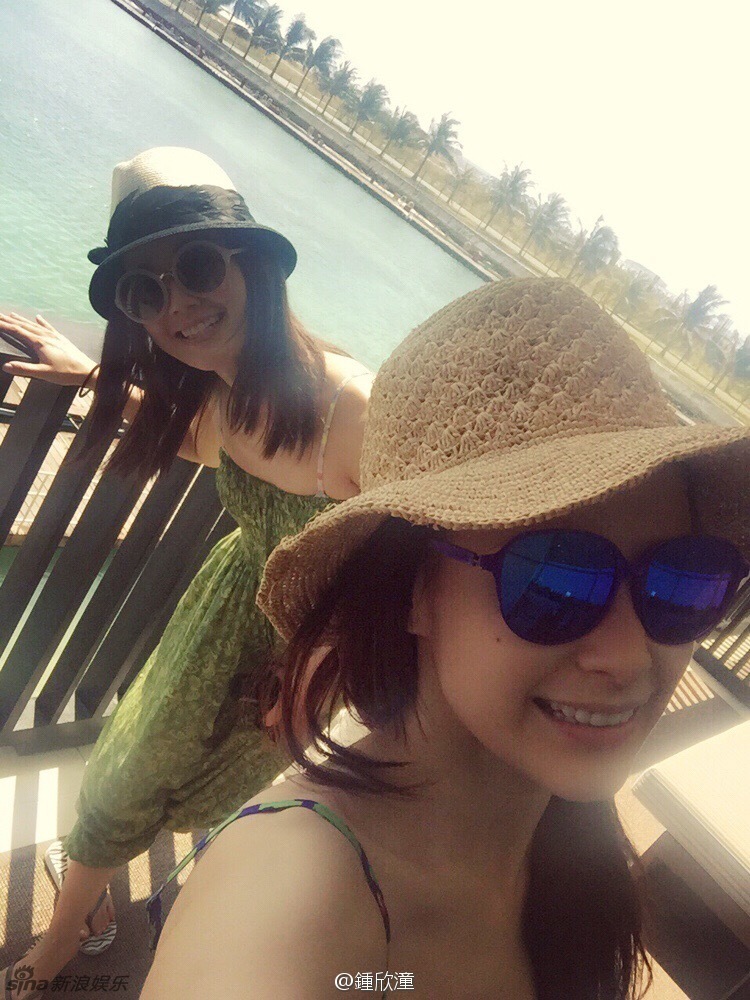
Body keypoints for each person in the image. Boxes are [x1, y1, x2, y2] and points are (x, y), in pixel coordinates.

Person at [142, 277, 749, 1000]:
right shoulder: (292, 890)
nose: (627, 657)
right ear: (410, 589)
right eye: (555, 580)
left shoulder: (571, 843)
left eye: (683, 582)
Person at [0, 146, 372, 992]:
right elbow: (194, 440)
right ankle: (66, 937)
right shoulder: (226, 393)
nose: (178, 306)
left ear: (253, 265)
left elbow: (412, 572)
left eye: (198, 267)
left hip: (305, 657)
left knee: (211, 793)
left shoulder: (354, 409)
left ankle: (93, 906)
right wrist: (88, 375)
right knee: (124, 779)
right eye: (145, 291)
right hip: (221, 621)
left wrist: (315, 674)